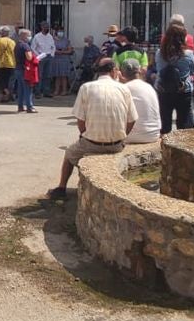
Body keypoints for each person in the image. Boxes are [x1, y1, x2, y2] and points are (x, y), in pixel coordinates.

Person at [47, 57, 136, 198]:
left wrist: (85, 134)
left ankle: (61, 188)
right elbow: (132, 120)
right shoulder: (124, 89)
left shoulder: (86, 88)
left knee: (69, 154)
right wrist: (122, 135)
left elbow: (80, 120)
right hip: (117, 145)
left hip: (91, 144)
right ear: (114, 71)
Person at [154, 23, 194, 134]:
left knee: (165, 122)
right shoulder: (188, 54)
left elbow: (158, 69)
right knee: (185, 123)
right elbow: (192, 70)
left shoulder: (160, 53)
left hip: (164, 89)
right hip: (183, 90)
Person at [118, 58, 161, 143]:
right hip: (153, 135)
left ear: (122, 73)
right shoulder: (149, 87)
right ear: (140, 71)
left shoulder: (123, 89)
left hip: (131, 137)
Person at [14, 29, 37, 113]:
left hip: (18, 68)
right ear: (23, 35)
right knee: (28, 88)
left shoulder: (17, 45)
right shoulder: (25, 46)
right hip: (25, 70)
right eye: (28, 35)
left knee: (20, 89)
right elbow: (29, 57)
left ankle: (20, 106)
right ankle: (29, 107)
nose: (29, 37)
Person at [0, 26, 16, 103]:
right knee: (9, 80)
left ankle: (6, 94)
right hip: (11, 63)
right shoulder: (12, 41)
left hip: (1, 63)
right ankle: (8, 95)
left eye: (0, 32)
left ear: (2, 33)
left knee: (1, 80)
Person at [32, 23, 57, 97]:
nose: (46, 28)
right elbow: (33, 47)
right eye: (45, 27)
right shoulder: (37, 36)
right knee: (39, 75)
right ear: (41, 27)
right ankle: (38, 92)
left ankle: (46, 91)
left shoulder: (50, 36)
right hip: (41, 56)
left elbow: (53, 46)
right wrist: (38, 56)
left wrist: (52, 55)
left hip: (49, 56)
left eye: (47, 27)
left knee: (48, 75)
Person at [50, 27, 73, 96]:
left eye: (62, 31)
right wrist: (57, 51)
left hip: (64, 59)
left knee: (64, 76)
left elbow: (70, 50)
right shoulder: (53, 40)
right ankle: (56, 90)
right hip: (56, 59)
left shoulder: (66, 40)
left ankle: (64, 90)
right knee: (57, 76)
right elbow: (51, 49)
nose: (61, 32)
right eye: (59, 31)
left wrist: (62, 52)